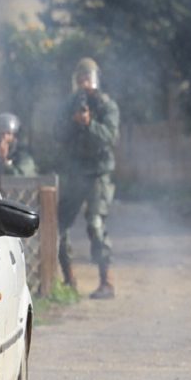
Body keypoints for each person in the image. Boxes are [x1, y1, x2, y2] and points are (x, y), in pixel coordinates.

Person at [55, 57, 120, 299]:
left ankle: (107, 282)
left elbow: (110, 137)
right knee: (58, 225)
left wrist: (89, 123)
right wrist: (74, 122)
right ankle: (68, 279)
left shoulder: (106, 106)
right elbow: (57, 134)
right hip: (75, 172)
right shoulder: (69, 105)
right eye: (80, 78)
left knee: (95, 224)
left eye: (87, 78)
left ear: (95, 80)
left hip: (98, 174)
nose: (83, 83)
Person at [0, 112, 37, 177]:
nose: (4, 137)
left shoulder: (25, 159)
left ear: (15, 137)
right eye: (1, 134)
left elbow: (21, 179)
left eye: (8, 133)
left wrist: (5, 161)